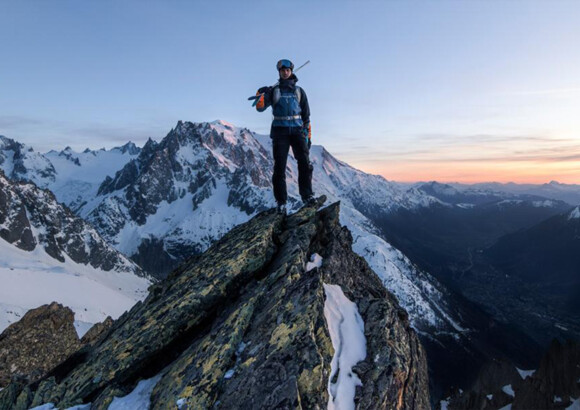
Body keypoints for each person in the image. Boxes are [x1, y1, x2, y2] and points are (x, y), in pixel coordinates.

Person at [255, 59, 315, 214]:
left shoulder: (299, 91)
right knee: (279, 167)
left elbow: (306, 115)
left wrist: (307, 134)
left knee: (304, 163)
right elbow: (260, 108)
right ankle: (281, 202)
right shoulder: (273, 91)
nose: (285, 72)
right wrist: (261, 95)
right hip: (280, 132)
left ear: (291, 71)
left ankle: (307, 196)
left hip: (297, 131)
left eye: (288, 70)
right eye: (282, 70)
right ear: (279, 72)